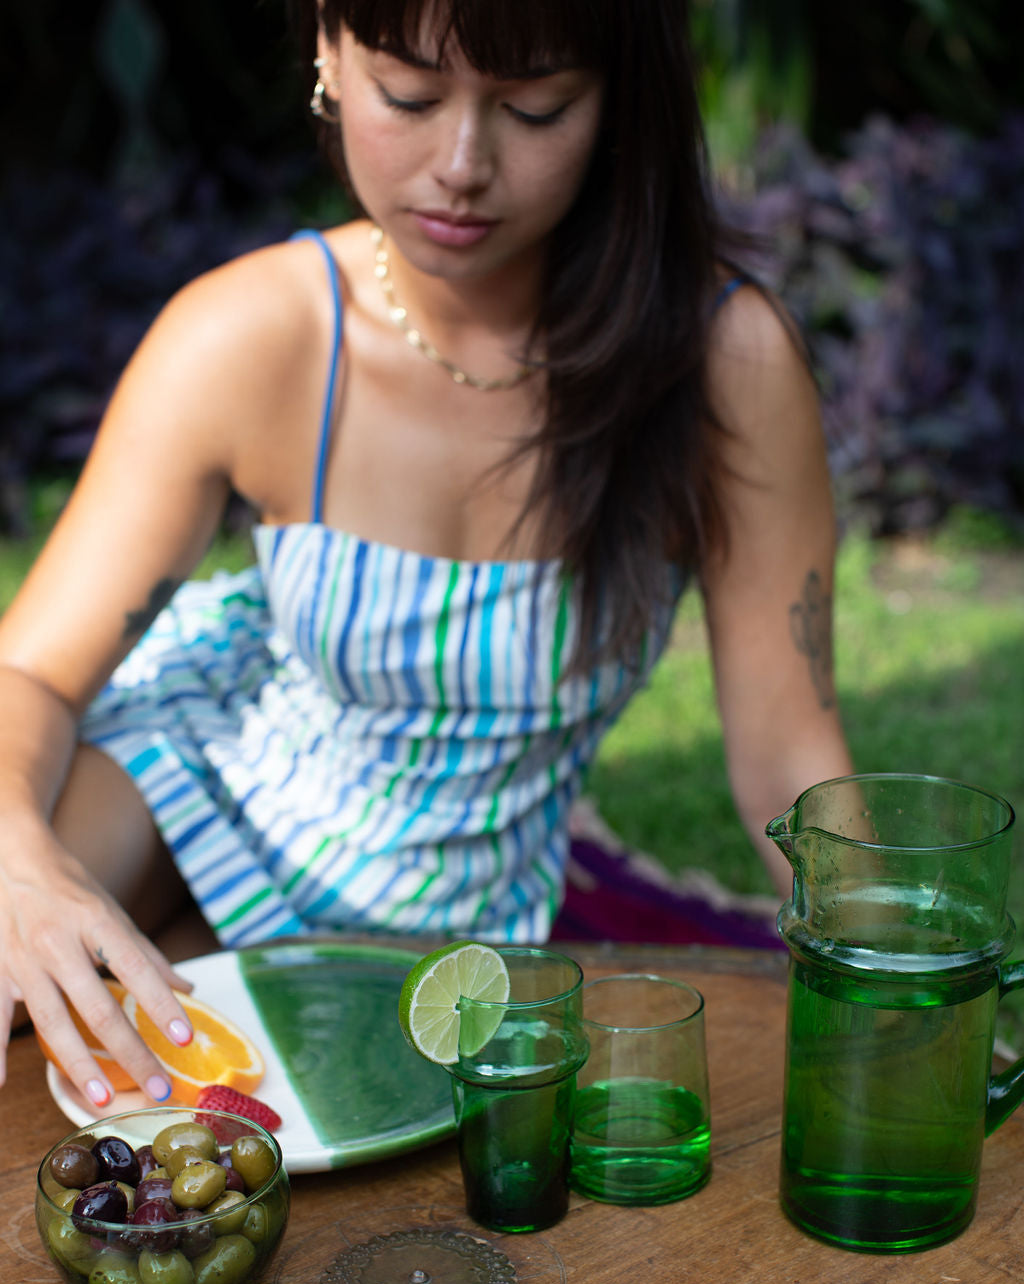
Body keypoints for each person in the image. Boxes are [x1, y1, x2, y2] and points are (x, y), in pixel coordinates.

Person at [0, 0, 853, 1106]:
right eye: (408, 95)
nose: (461, 164)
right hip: (192, 787)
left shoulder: (718, 363)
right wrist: (24, 868)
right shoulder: (256, 334)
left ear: (616, 100)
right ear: (328, 56)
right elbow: (31, 671)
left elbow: (788, 757)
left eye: (533, 108)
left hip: (458, 931)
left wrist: (897, 968)